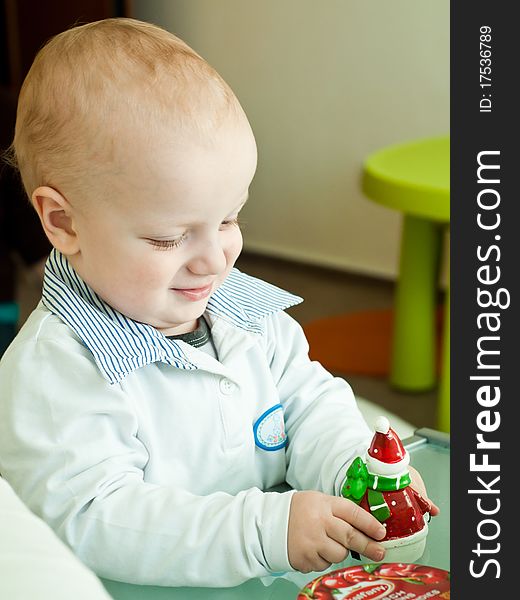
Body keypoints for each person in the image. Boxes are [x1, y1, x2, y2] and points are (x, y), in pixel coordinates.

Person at [0, 18, 438, 588]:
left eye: (229, 218)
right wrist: (261, 531)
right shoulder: (56, 377)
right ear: (63, 222)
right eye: (169, 237)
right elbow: (94, 518)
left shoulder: (245, 314)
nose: (215, 259)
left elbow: (308, 399)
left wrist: (350, 468)